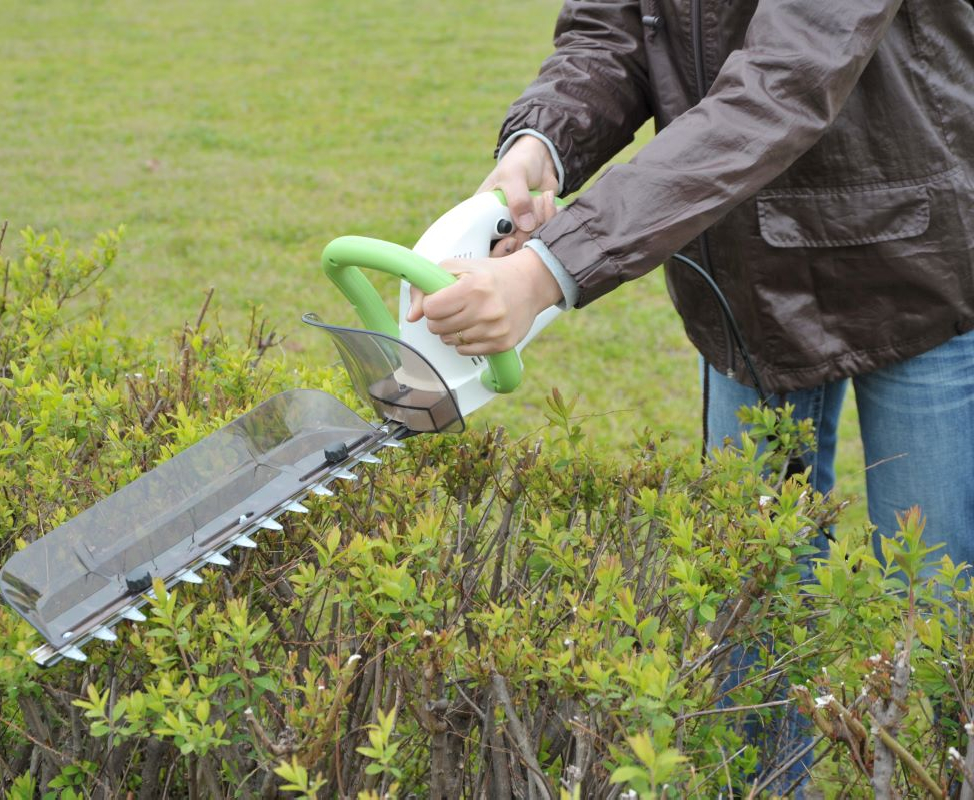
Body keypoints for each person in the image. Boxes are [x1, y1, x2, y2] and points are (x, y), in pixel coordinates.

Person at [404, 0, 973, 792]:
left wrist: (549, 268)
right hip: (749, 288)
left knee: (939, 601)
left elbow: (783, 80)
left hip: (918, 264)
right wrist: (543, 142)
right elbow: (613, 28)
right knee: (756, 591)